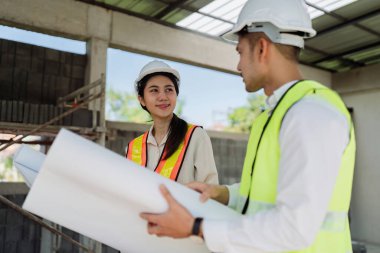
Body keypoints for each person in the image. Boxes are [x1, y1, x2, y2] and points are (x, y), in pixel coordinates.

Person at [140, 0, 356, 252]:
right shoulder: (276, 113)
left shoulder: (310, 113)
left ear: (262, 48)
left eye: (240, 52)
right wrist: (224, 193)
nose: (238, 65)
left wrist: (196, 227)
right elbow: (270, 193)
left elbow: (294, 227)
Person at [126, 60, 218, 185]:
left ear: (176, 95)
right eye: (154, 90)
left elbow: (210, 191)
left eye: (169, 89)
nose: (163, 97)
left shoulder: (196, 136)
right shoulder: (133, 148)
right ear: (141, 99)